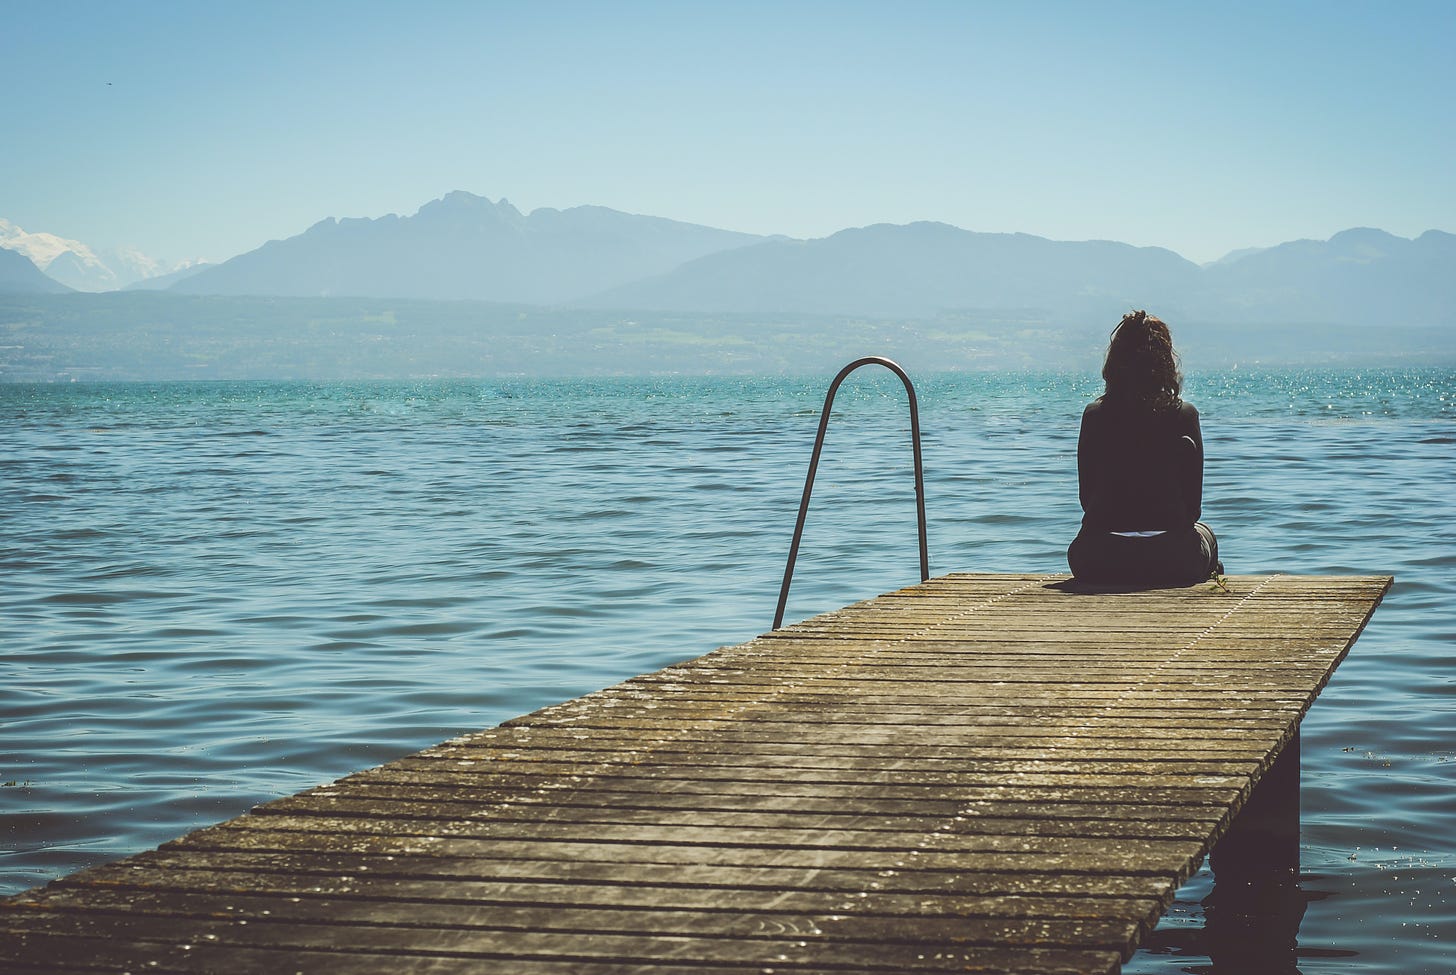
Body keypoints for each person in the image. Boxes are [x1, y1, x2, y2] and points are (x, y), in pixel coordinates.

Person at [1067, 310, 1221, 586]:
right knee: (1206, 533)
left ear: (1114, 362)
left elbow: (1087, 500)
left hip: (1100, 557)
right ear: (1166, 364)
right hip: (1174, 558)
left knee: (1081, 545)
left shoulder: (1094, 416)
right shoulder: (1184, 415)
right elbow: (1193, 510)